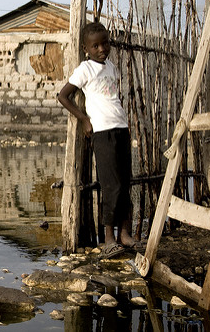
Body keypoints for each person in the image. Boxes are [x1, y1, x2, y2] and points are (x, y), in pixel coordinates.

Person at [57, 21, 138, 259]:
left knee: (125, 182)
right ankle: (108, 239)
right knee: (110, 184)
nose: (101, 49)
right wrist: (83, 119)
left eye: (105, 43)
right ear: (86, 49)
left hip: (120, 127)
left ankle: (125, 235)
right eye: (95, 46)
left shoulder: (111, 66)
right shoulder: (86, 69)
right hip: (101, 131)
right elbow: (63, 96)